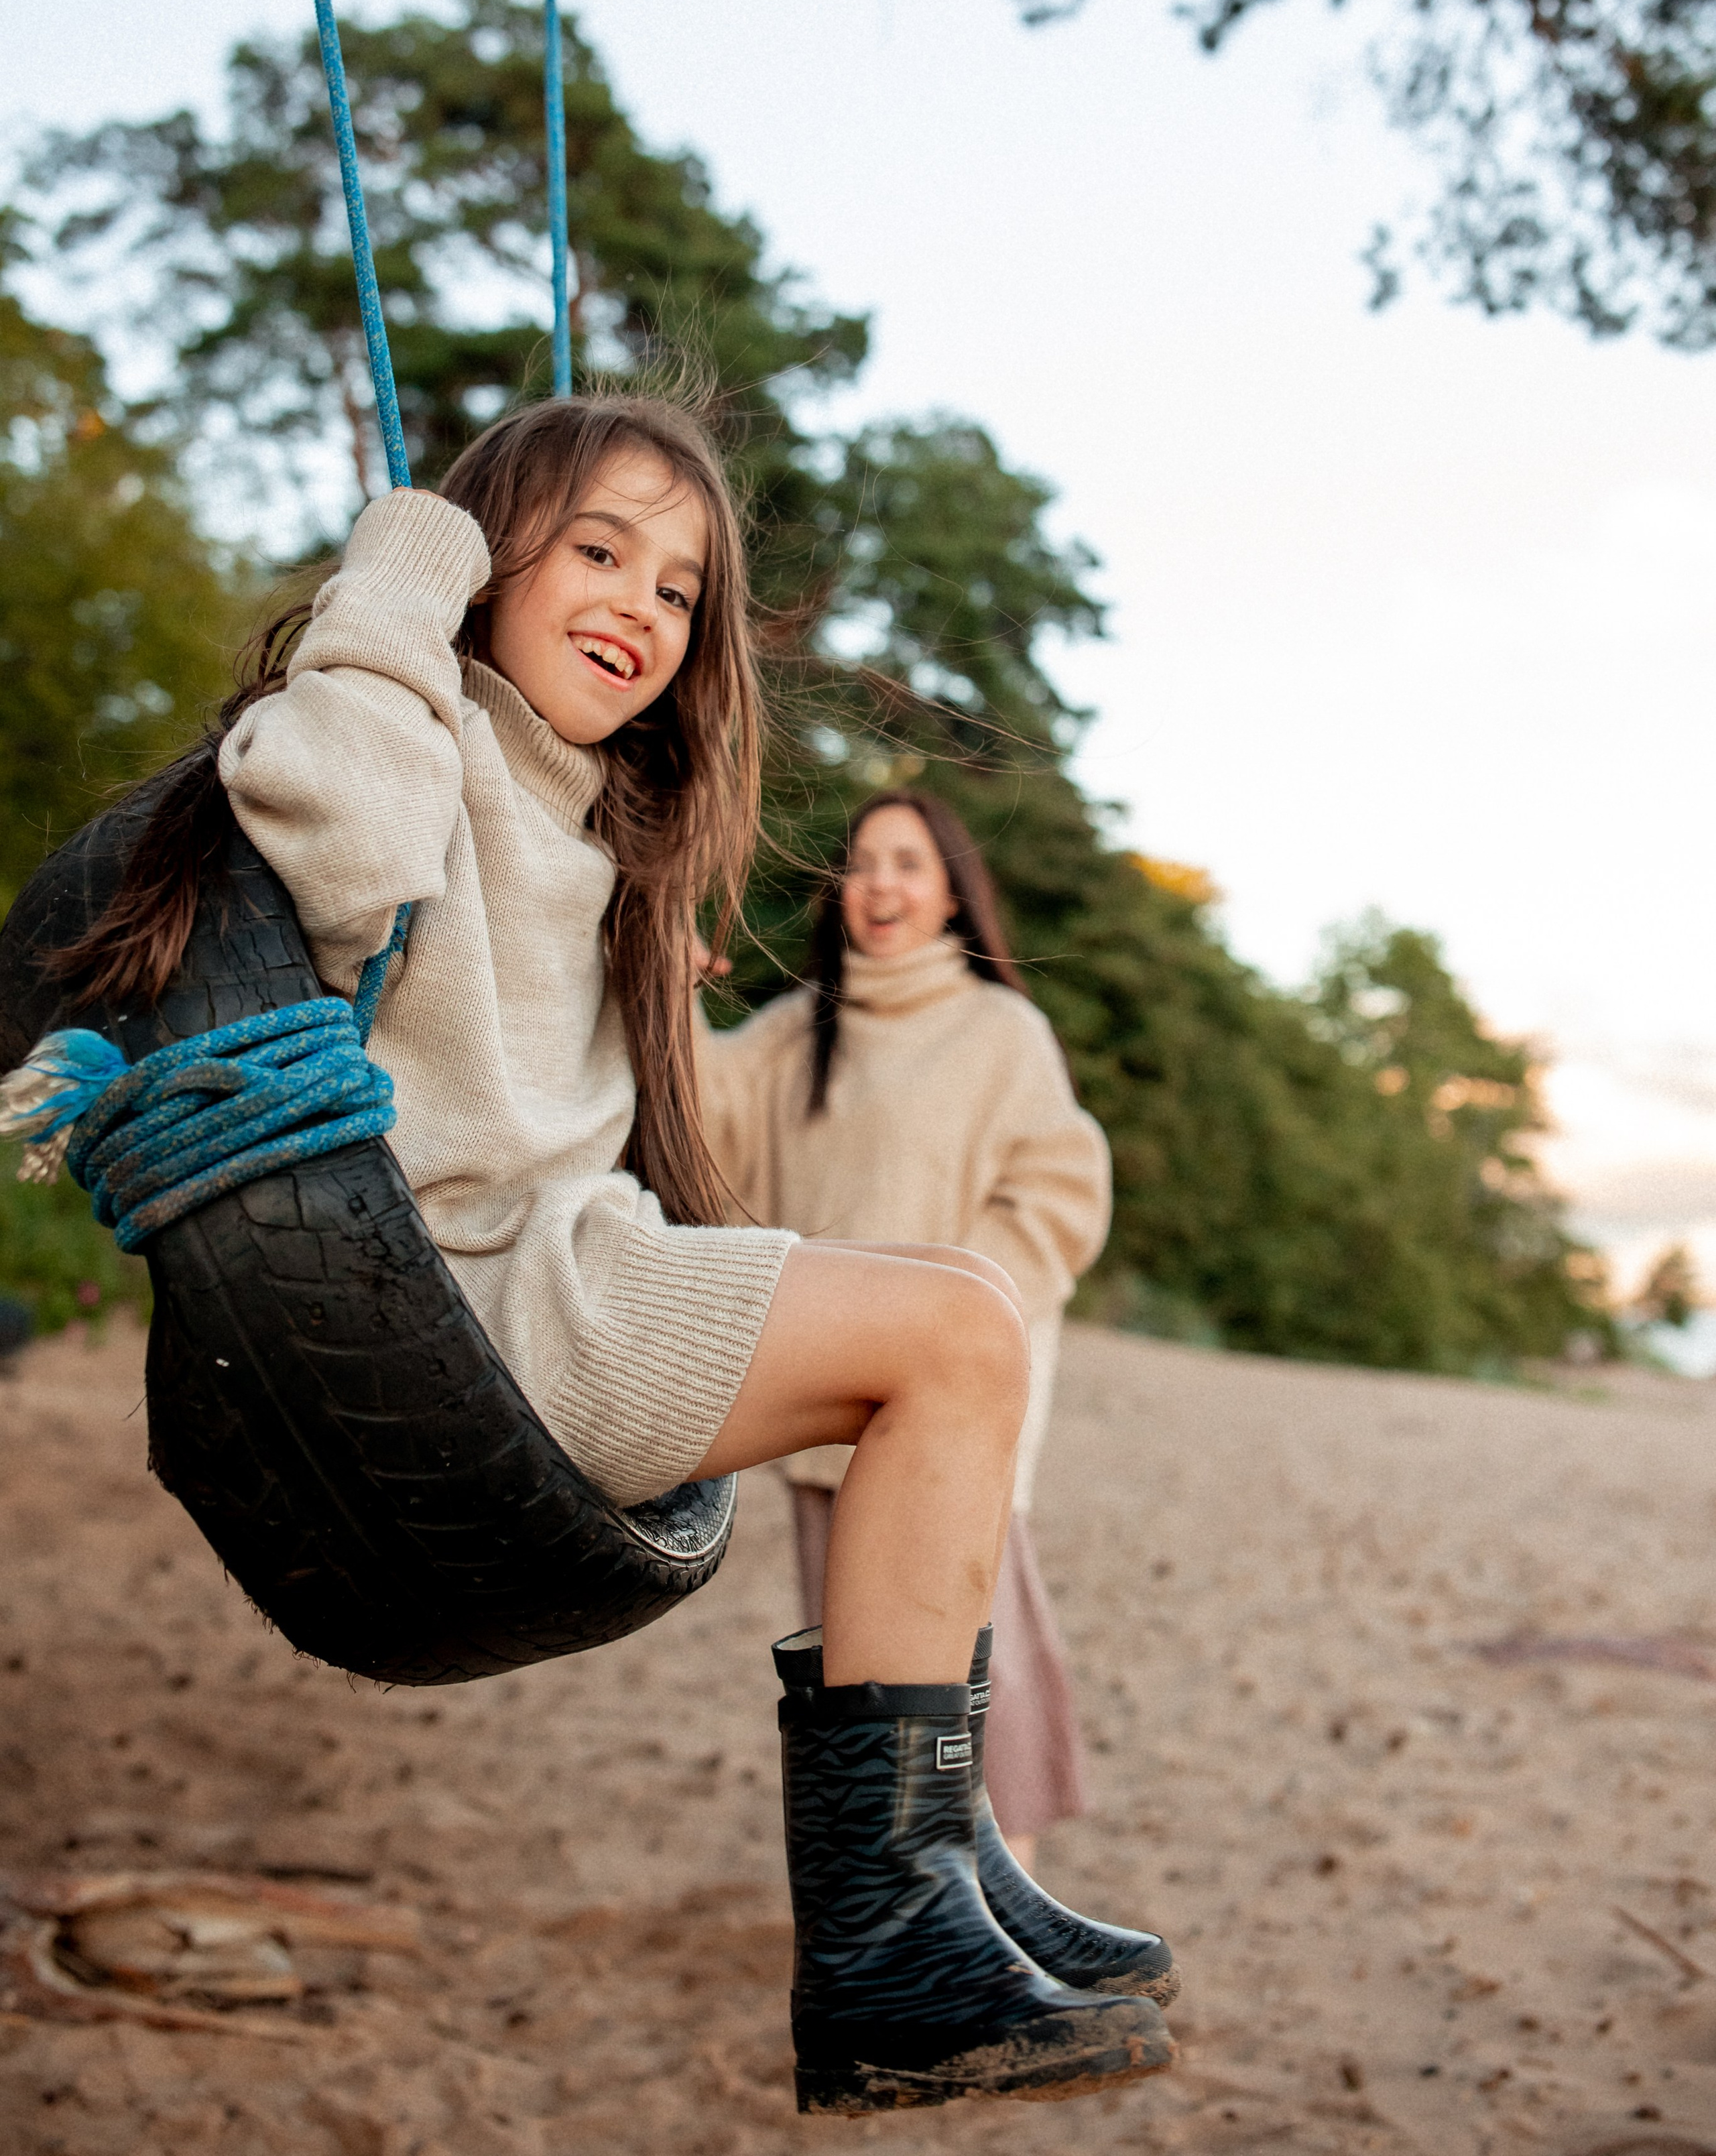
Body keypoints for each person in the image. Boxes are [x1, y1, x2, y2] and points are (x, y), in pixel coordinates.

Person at [8, 394, 1174, 2113]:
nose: (643, 602)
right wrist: (403, 564)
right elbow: (322, 809)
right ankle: (886, 1938)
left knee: (958, 1340)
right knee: (956, 1340)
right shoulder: (417, 734)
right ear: (487, 566)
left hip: (569, 1271)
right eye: (599, 551)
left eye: (682, 588)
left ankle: (935, 1881)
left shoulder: (586, 815)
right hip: (466, 1307)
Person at [697, 793, 1170, 1925]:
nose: (881, 886)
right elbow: (705, 1120)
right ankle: (896, 1906)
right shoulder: (799, 1025)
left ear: (952, 888)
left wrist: (954, 1315)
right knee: (861, 1669)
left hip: (958, 1411)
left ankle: (1012, 1894)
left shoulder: (999, 1030)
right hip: (830, 1412)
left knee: (980, 1655)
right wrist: (666, 987)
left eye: (907, 864)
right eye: (860, 865)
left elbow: (1061, 1189)